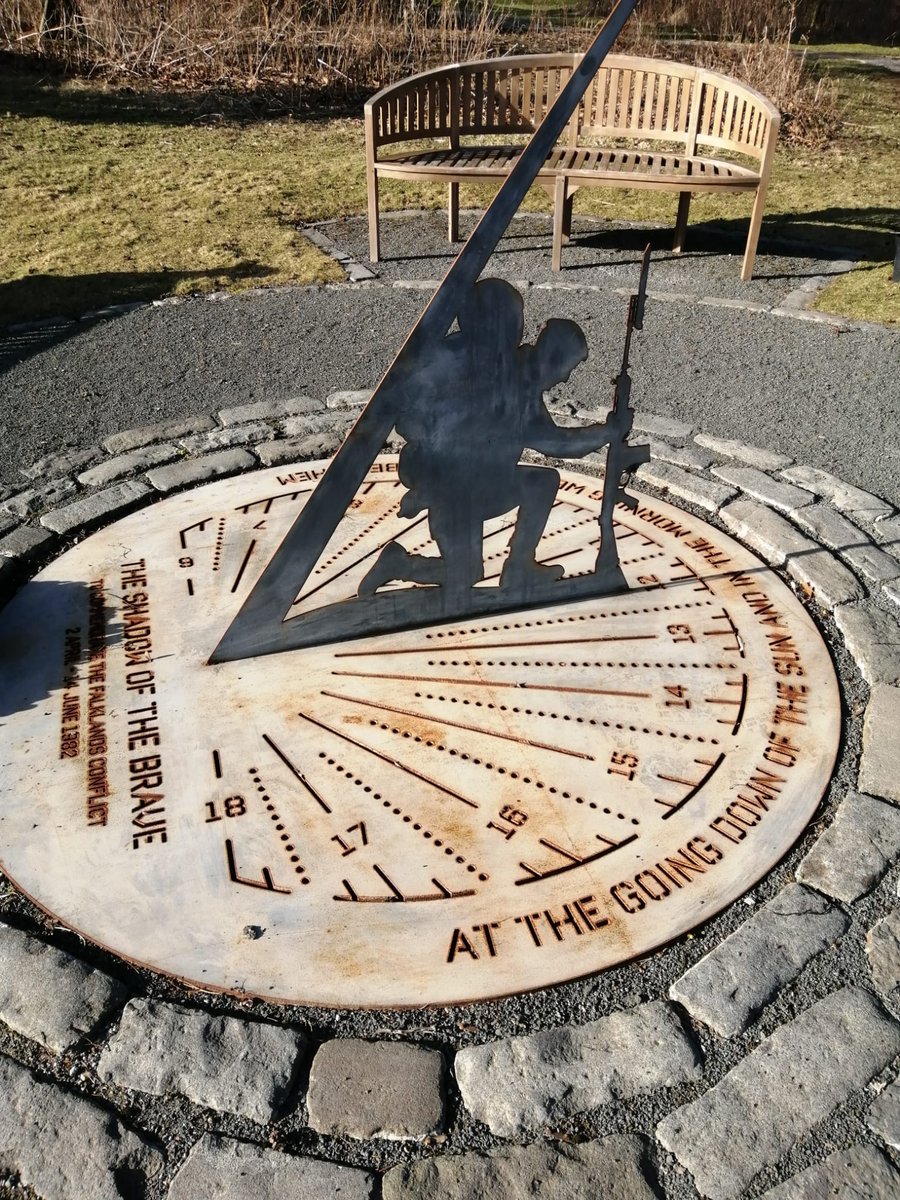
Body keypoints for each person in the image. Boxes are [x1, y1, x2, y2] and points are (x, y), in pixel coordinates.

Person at [358, 278, 626, 600]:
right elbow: (556, 444)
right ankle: (399, 564)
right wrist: (608, 432)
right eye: (565, 369)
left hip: (486, 486)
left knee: (540, 482)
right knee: (466, 575)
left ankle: (520, 566)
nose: (565, 378)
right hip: (453, 496)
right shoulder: (500, 380)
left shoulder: (510, 377)